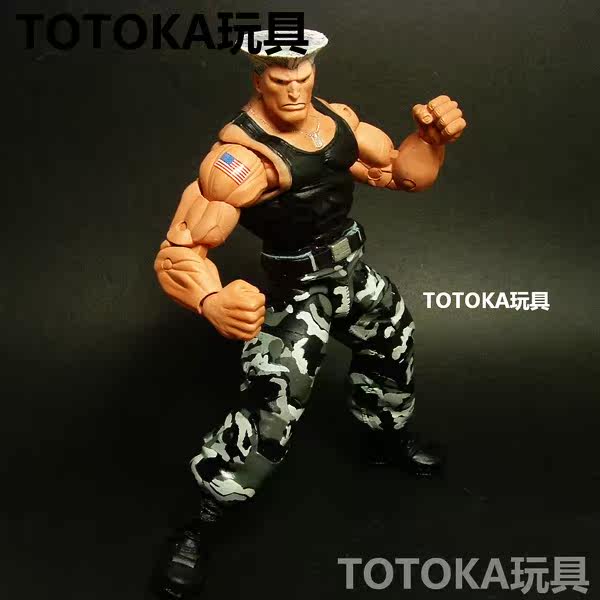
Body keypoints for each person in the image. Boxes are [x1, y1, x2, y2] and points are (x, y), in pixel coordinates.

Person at [151, 29, 466, 599]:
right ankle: (204, 517)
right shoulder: (240, 161)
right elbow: (179, 251)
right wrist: (210, 300)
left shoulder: (338, 122)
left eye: (303, 75)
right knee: (275, 400)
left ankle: (383, 433)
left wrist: (429, 141)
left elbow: (400, 174)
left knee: (393, 334)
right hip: (298, 293)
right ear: (258, 79)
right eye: (280, 79)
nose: (294, 89)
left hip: (352, 272)